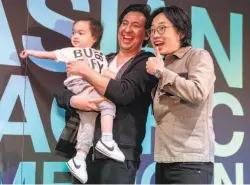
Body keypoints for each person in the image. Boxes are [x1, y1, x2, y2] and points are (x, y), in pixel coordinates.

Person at [54, 4, 158, 184]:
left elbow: (123, 93)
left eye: (135, 25)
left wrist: (87, 72)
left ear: (147, 34)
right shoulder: (103, 58)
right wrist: (74, 100)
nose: (127, 29)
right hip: (85, 155)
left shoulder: (146, 63)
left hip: (119, 156)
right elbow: (62, 92)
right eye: (124, 23)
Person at [19, 18, 125, 183]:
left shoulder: (100, 55)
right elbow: (52, 55)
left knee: (88, 123)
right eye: (74, 32)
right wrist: (31, 52)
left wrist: (121, 80)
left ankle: (79, 158)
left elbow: (106, 73)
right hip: (80, 85)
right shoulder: (71, 51)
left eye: (81, 33)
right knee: (107, 104)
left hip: (93, 86)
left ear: (94, 38)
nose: (75, 36)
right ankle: (106, 140)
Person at [146, 5, 216, 184]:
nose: (155, 35)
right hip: (164, 160)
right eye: (152, 30)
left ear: (181, 32)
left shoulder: (198, 56)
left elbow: (197, 92)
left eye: (162, 28)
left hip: (191, 162)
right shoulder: (161, 65)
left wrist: (162, 73)